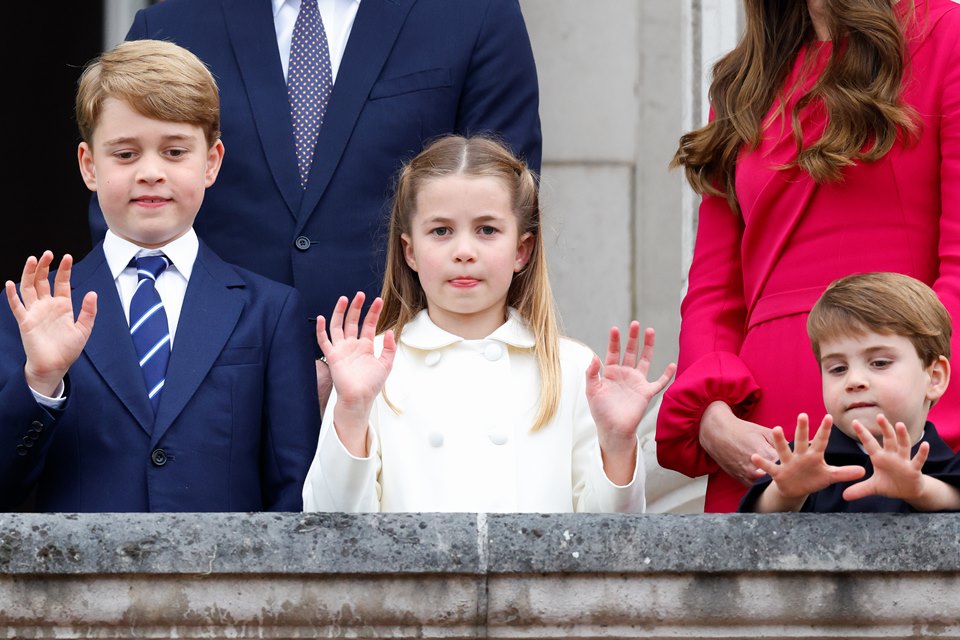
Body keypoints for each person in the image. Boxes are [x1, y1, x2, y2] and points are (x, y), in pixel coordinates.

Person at [656, 0, 960, 512]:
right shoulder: (742, 81)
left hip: (900, 422)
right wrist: (711, 414)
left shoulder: (945, 36)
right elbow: (713, 288)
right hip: (765, 438)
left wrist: (923, 420)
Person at [89, 0, 542, 336]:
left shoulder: (475, 15)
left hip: (408, 373)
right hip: (215, 379)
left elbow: (505, 209)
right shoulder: (172, 23)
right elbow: (127, 218)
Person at [0, 40, 321, 512]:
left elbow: (293, 489)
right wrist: (41, 383)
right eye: (125, 155)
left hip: (228, 582)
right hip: (82, 582)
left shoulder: (269, 311)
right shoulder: (34, 310)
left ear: (210, 162)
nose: (150, 172)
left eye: (174, 152)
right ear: (90, 165)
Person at [301, 135, 676, 512]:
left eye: (487, 230)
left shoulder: (572, 369)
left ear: (522, 250)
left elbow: (609, 544)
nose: (464, 251)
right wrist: (351, 409)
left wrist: (617, 442)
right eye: (441, 231)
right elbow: (332, 528)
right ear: (410, 252)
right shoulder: (373, 368)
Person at [739, 272, 960, 513]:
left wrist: (920, 489)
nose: (853, 380)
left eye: (880, 363)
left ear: (935, 377)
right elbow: (751, 529)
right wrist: (787, 492)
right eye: (838, 368)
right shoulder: (807, 461)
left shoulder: (948, 465)